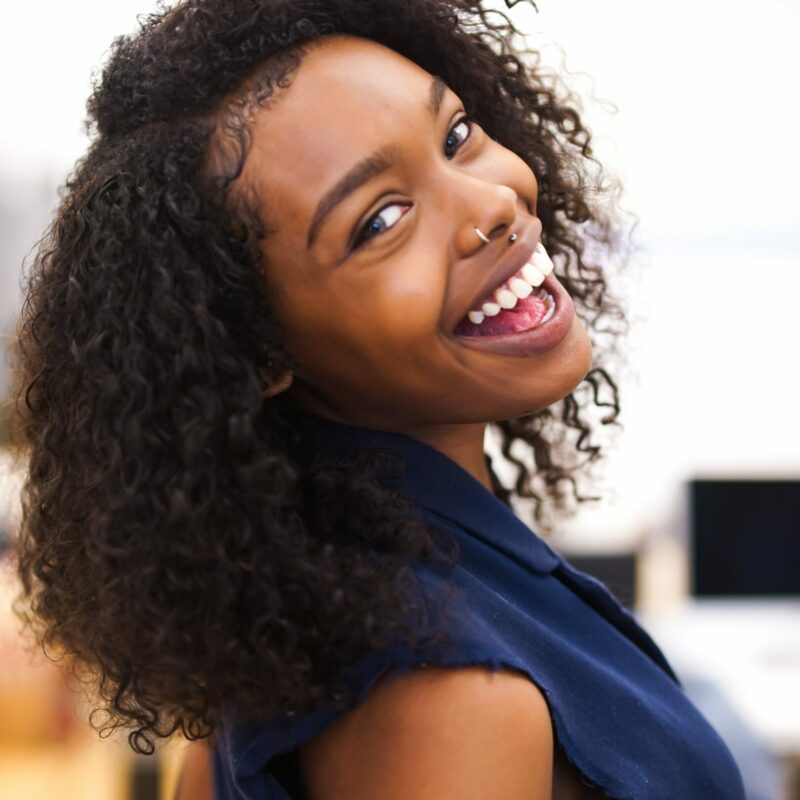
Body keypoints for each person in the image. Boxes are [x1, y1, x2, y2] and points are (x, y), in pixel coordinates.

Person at [10, 1, 746, 798]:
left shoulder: (314, 602)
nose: (491, 205)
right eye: (382, 219)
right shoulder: (444, 691)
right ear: (260, 348)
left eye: (457, 136)